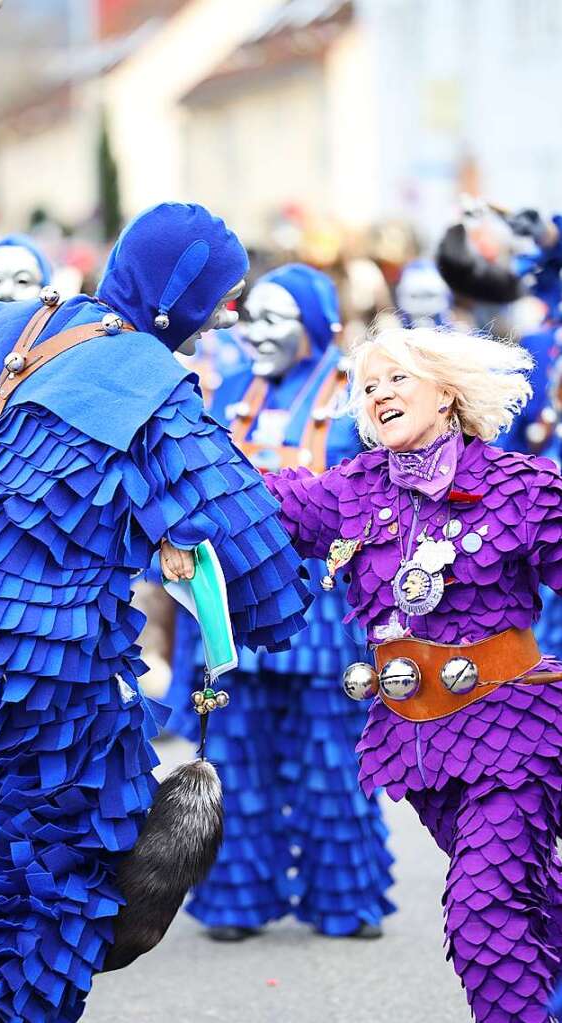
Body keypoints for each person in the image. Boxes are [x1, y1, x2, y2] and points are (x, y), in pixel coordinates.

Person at [0, 202, 309, 1023]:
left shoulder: (11, 322)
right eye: (222, 294)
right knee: (71, 848)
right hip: (41, 659)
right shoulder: (150, 383)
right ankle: (0, 1006)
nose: (227, 312)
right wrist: (273, 608)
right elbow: (254, 562)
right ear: (178, 295)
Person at [266, 324, 562, 1023]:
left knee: (482, 913)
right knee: (529, 895)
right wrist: (184, 454)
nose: (378, 394)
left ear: (446, 393)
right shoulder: (352, 490)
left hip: (512, 734)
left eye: (396, 378)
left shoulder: (522, 487)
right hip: (418, 743)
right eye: (366, 386)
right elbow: (265, 501)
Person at [167, 263, 394, 941]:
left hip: (325, 615)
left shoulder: (355, 397)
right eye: (251, 316)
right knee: (237, 761)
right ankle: (237, 900)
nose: (257, 332)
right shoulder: (229, 388)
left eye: (276, 318)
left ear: (315, 324)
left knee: (332, 762)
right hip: (236, 608)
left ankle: (343, 899)